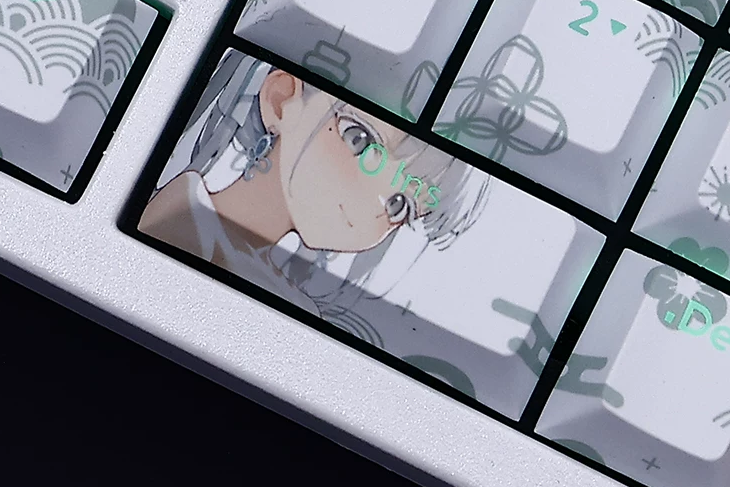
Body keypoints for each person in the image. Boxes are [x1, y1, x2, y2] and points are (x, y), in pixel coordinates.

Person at [139, 51, 488, 329]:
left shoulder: (299, 308)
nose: (376, 203)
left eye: (401, 205)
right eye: (359, 139)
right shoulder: (178, 215)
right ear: (281, 100)